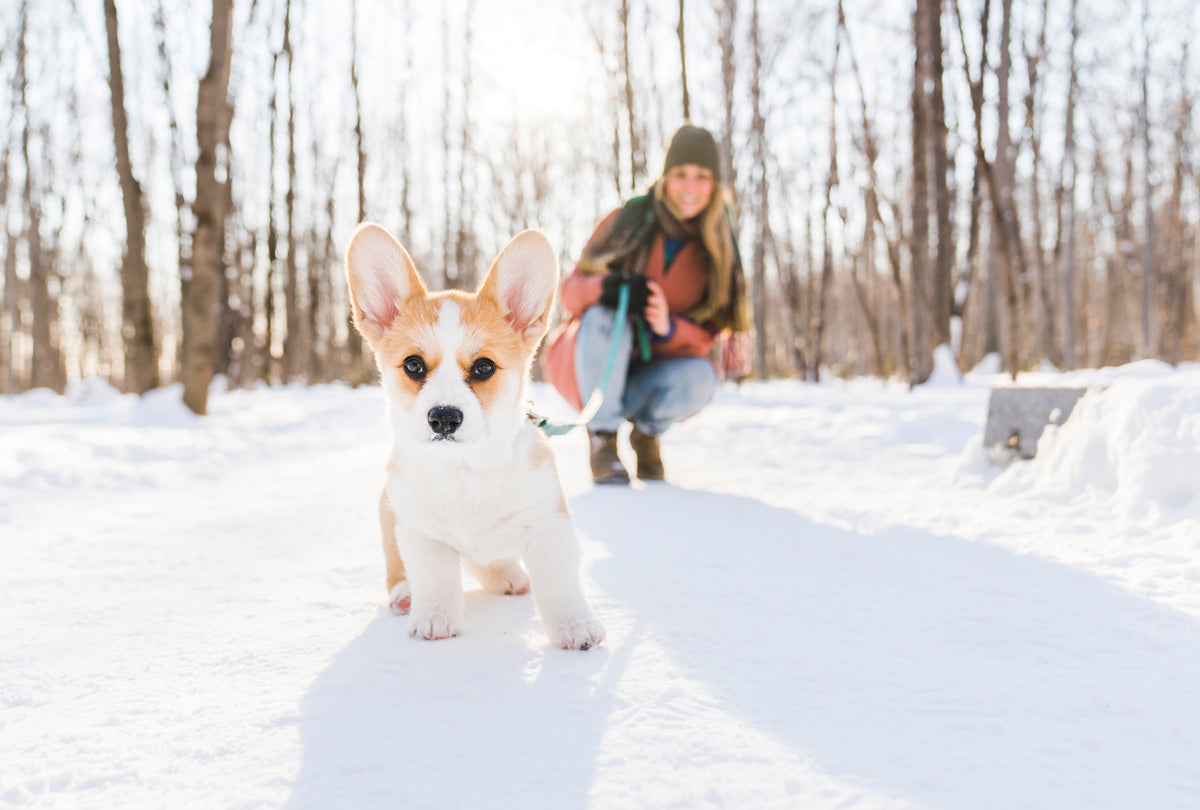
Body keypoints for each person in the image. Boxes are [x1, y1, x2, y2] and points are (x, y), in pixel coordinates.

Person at [541, 124, 750, 485]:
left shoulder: (719, 250)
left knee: (702, 377)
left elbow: (708, 334)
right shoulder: (627, 219)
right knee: (604, 316)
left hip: (653, 366)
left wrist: (668, 327)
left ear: (715, 184)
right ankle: (603, 438)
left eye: (702, 177)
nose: (690, 187)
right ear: (666, 177)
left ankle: (647, 434)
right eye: (680, 174)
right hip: (593, 363)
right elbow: (570, 292)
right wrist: (606, 288)